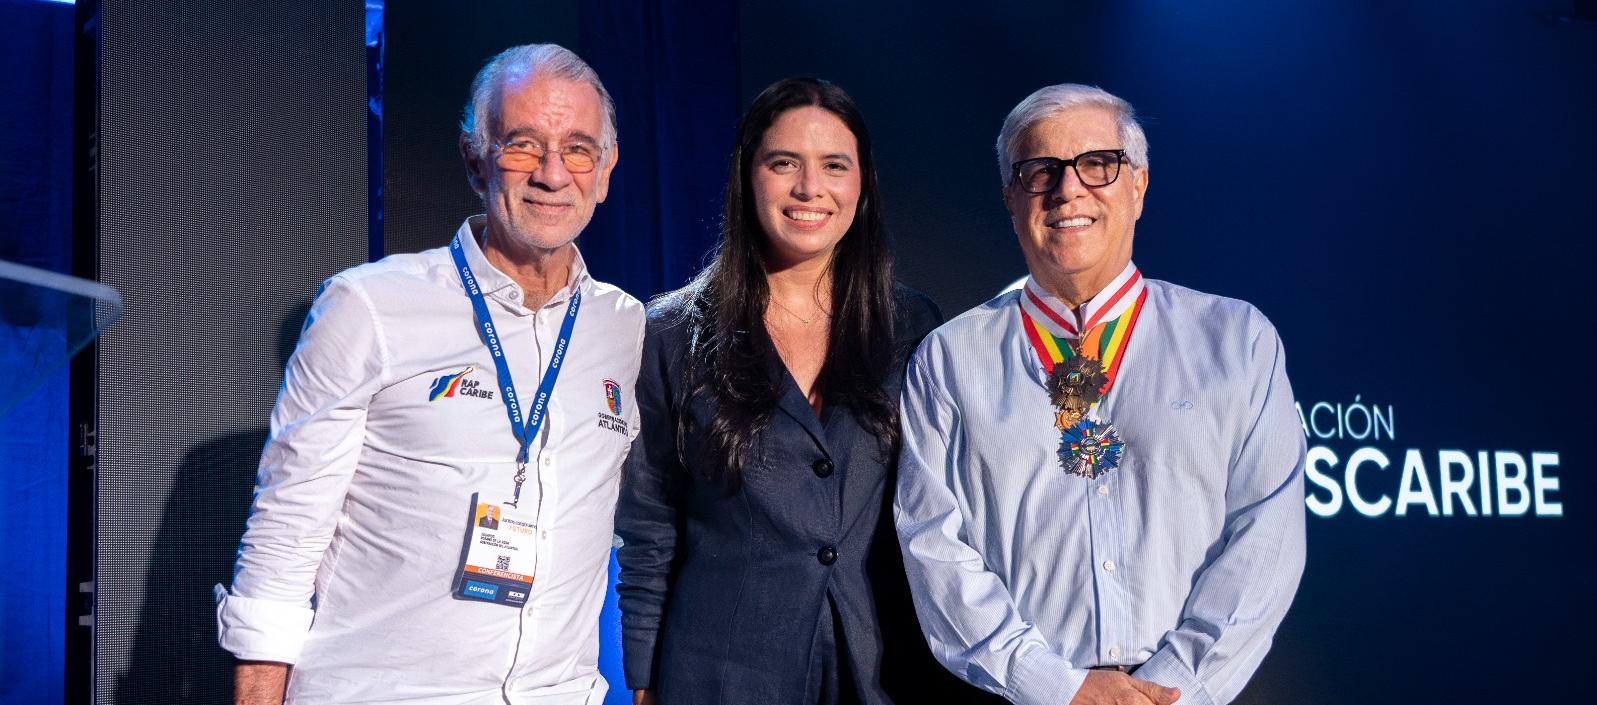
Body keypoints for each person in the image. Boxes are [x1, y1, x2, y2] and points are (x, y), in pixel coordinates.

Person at [214, 43, 644, 704]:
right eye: (523, 145)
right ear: (475, 158)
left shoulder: (626, 329)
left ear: (606, 170)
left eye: (578, 149)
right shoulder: (369, 307)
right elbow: (285, 535)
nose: (553, 174)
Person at [893, 83, 1307, 705]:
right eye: (1040, 170)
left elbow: (1267, 537)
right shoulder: (949, 360)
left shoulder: (1237, 341)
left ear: (1138, 185)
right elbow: (932, 546)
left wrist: (1172, 687)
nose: (1068, 190)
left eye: (1098, 164)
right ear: (1010, 197)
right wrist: (1058, 689)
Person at [615, 78, 990, 705]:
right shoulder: (671, 333)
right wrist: (644, 676)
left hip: (885, 668)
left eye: (834, 166)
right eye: (784, 163)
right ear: (748, 176)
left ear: (862, 184)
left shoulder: (914, 325)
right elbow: (649, 521)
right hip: (721, 673)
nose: (810, 188)